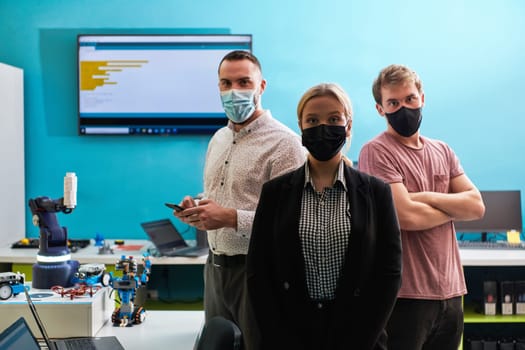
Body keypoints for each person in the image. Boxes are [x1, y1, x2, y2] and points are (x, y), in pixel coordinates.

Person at [246, 83, 402, 350]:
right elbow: (259, 273)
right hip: (291, 334)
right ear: (301, 127)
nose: (322, 127)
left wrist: (363, 339)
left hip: (358, 334)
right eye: (313, 120)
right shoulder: (275, 193)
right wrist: (278, 337)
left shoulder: (376, 192)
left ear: (348, 125)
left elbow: (389, 273)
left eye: (333, 119)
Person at [173, 50, 305, 349]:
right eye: (225, 83)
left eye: (244, 82)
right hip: (215, 269)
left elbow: (292, 221)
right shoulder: (218, 138)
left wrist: (231, 218)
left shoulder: (285, 144)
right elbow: (217, 196)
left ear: (261, 86)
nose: (234, 91)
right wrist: (197, 207)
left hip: (258, 273)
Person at [358, 64, 486, 350]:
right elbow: (407, 216)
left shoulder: (443, 150)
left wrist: (424, 195)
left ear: (422, 99)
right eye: (393, 102)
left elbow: (476, 206)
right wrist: (453, 205)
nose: (403, 108)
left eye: (410, 99)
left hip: (451, 293)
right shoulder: (375, 151)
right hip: (406, 297)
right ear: (380, 109)